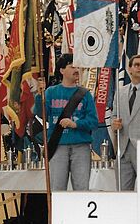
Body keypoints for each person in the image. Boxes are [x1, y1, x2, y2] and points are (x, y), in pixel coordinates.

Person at [34, 53, 98, 191]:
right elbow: (41, 114)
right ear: (62, 70)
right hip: (57, 145)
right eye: (72, 66)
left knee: (82, 189)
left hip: (81, 146)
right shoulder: (50, 92)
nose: (76, 70)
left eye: (77, 67)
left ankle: (80, 213)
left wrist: (76, 124)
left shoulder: (85, 94)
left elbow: (93, 121)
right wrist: (40, 95)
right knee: (57, 189)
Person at [111, 54, 140, 190]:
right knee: (123, 194)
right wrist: (114, 123)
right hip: (122, 148)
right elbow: (114, 115)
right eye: (136, 65)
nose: (139, 68)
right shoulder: (120, 91)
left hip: (139, 146)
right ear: (129, 69)